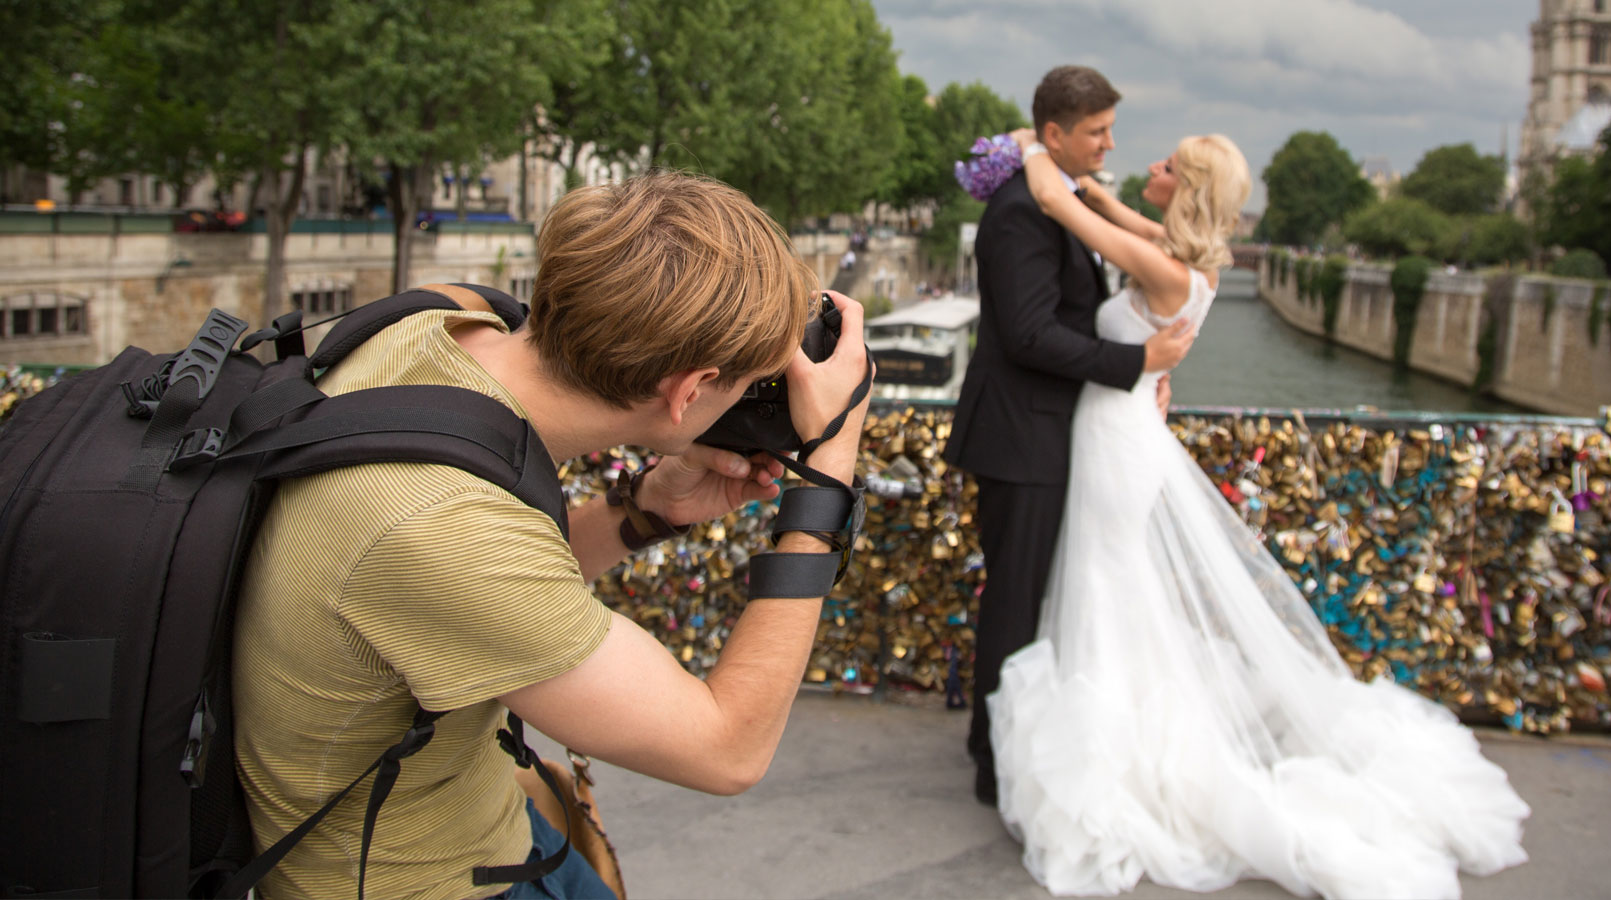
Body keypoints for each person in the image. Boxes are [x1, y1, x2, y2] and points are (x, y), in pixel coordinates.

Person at [232, 171, 872, 900]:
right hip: (421, 881)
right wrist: (828, 474)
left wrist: (645, 510)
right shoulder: (435, 525)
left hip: (473, 815)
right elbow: (728, 750)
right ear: (690, 392)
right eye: (746, 384)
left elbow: (471, 595)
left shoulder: (434, 326)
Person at [985, 129, 1532, 898]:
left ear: (1188, 190)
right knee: (1115, 582)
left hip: (1117, 439)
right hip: (1128, 430)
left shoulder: (1164, 267)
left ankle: (1117, 742)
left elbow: (1053, 199)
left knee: (1107, 581)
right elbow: (1099, 203)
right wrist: (1090, 186)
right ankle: (1122, 726)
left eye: (1168, 166)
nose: (1151, 167)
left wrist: (1024, 143)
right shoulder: (1189, 260)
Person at [943, 65, 1194, 807]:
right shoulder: (1022, 211)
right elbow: (1026, 335)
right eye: (1097, 131)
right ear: (1055, 134)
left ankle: (1009, 742)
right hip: (1022, 437)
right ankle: (996, 761)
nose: (1111, 143)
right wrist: (1136, 361)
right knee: (1015, 604)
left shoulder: (1055, 198)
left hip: (1042, 431)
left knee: (1028, 600)